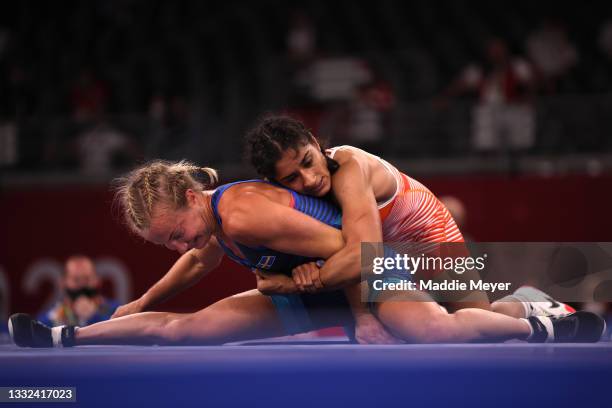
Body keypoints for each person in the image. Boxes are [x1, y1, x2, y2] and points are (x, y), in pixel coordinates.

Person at [9, 160, 605, 348]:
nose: (179, 243)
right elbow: (196, 263)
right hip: (321, 284)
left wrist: (368, 315)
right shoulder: (211, 225)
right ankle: (65, 338)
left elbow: (357, 250)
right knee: (181, 331)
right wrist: (139, 300)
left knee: (435, 331)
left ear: (194, 197)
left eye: (177, 229)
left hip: (374, 267)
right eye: (164, 242)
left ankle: (538, 319)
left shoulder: (241, 212)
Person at [244, 115, 573, 321]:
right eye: (293, 178)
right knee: (420, 324)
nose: (310, 179)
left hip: (430, 235)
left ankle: (532, 301)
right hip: (389, 253)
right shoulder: (294, 197)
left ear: (316, 143)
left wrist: (304, 279)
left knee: (479, 317)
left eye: (308, 160)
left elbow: (365, 256)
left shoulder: (349, 168)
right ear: (276, 182)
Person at [38, 255, 121, 327]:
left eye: (87, 279)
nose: (82, 285)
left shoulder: (116, 311)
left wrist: (94, 317)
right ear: (62, 283)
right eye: (76, 280)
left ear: (97, 281)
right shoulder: (50, 319)